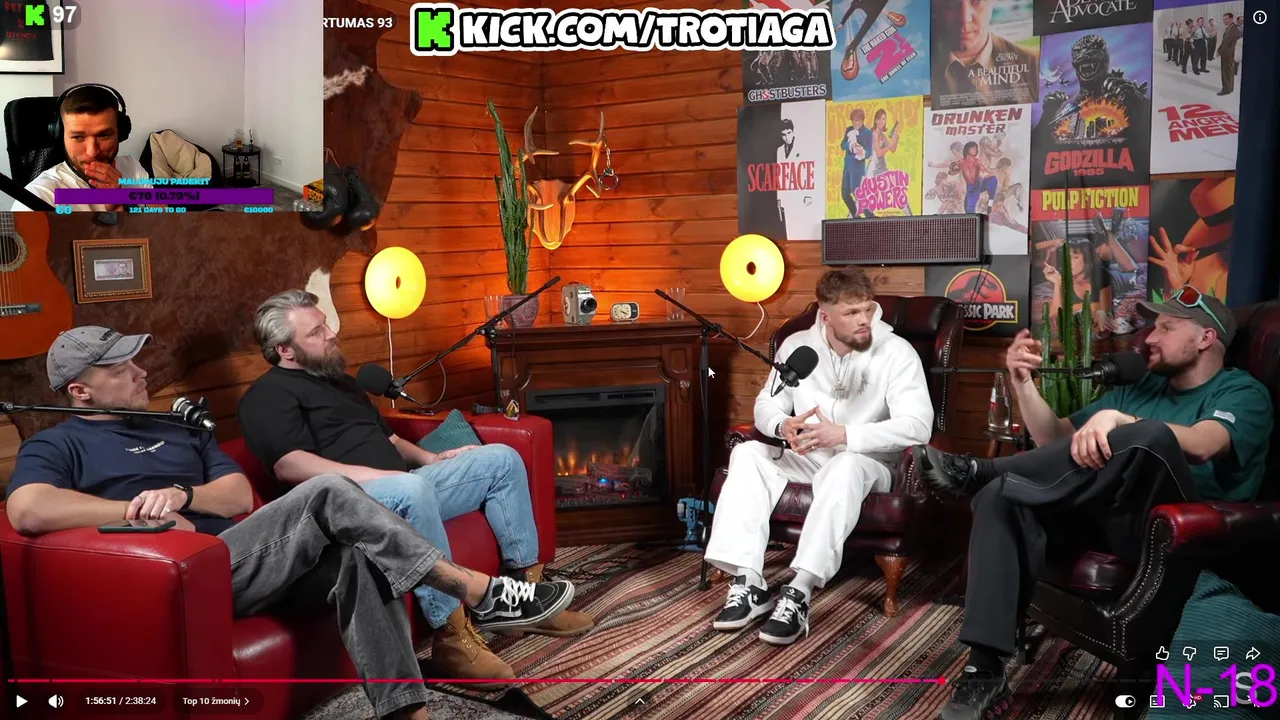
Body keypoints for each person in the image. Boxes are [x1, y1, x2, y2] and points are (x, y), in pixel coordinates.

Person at [4, 326, 577, 720]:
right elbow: (27, 508)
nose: (140, 372)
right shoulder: (60, 444)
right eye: (120, 368)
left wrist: (182, 492)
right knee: (328, 489)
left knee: (358, 561)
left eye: (135, 361)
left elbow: (235, 495)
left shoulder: (179, 430)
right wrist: (135, 509)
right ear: (80, 390)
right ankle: (473, 589)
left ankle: (409, 713)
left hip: (241, 553)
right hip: (184, 574)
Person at [911, 287, 1273, 719]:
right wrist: (1022, 384)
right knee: (1002, 496)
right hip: (1111, 518)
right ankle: (984, 670)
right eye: (1153, 326)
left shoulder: (1241, 391)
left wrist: (1122, 421)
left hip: (1183, 532)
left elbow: (1203, 443)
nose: (1150, 337)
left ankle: (980, 472)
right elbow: (1055, 441)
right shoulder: (1142, 387)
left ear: (1205, 338)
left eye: (1166, 327)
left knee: (1150, 436)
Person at [237, 290, 594, 686]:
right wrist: (380, 478)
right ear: (285, 350)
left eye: (326, 324)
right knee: (411, 490)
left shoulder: (340, 382)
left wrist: (431, 459)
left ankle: (527, 596)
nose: (331, 333)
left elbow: (389, 440)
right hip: (350, 506)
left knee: (500, 459)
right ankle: (451, 637)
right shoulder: (266, 396)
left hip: (406, 487)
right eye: (316, 332)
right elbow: (291, 466)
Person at [703, 265, 934, 645]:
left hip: (870, 462)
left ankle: (799, 591)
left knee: (845, 465)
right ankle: (749, 582)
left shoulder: (897, 352)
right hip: (810, 457)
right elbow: (766, 405)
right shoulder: (798, 348)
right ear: (825, 316)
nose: (864, 320)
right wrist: (783, 425)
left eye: (867, 309)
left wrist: (845, 435)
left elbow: (918, 427)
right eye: (851, 312)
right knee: (748, 454)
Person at [10, 85, 150, 212]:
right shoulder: (38, 197)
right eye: (78, 137)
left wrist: (123, 206)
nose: (92, 152)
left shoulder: (133, 168)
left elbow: (161, 221)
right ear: (61, 136)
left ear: (121, 132)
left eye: (104, 135)